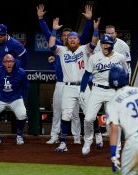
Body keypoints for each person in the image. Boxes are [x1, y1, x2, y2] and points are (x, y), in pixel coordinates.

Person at [36, 4, 95, 144]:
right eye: (64, 35)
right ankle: (54, 136)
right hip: (61, 83)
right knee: (57, 111)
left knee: (74, 114)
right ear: (62, 38)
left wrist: (88, 21)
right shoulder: (59, 47)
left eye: (69, 36)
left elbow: (86, 35)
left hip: (75, 84)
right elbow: (46, 35)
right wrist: (41, 19)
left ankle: (76, 137)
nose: (66, 37)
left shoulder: (79, 48)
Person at [48, 17, 98, 152]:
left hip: (83, 86)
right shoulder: (61, 50)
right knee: (66, 115)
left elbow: (94, 42)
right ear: (66, 40)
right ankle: (63, 143)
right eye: (69, 38)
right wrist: (53, 30)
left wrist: (96, 29)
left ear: (78, 40)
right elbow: (51, 44)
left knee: (89, 115)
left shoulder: (84, 49)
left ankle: (93, 137)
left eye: (74, 38)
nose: (71, 39)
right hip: (68, 87)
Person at [80, 34, 128, 155]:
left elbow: (125, 74)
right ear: (100, 45)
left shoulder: (120, 57)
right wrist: (82, 90)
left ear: (112, 45)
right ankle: (88, 141)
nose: (105, 46)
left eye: (108, 44)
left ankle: (116, 149)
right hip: (97, 90)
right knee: (88, 118)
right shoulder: (94, 58)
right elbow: (86, 75)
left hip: (113, 91)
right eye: (103, 44)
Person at [0, 54, 29, 145]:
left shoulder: (21, 72)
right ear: (3, 63)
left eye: (11, 61)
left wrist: (21, 97)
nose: (9, 63)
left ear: (14, 62)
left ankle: (19, 135)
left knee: (22, 114)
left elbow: (26, 86)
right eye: (6, 62)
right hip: (0, 98)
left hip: (15, 98)